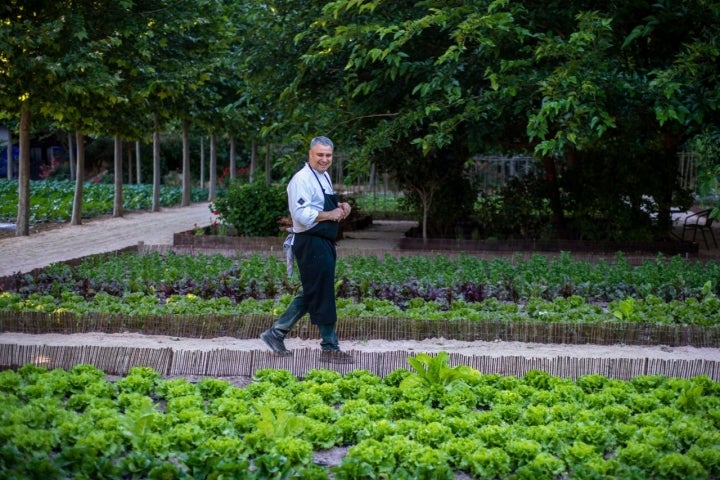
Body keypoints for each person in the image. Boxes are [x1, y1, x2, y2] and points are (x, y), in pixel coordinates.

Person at [260, 136, 354, 364]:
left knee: (315, 290)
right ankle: (329, 347)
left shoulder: (323, 176)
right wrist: (330, 215)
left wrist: (341, 206)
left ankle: (276, 333)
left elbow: (320, 204)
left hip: (323, 242)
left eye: (328, 155)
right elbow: (301, 214)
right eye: (320, 155)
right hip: (310, 242)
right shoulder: (300, 179)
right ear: (310, 154)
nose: (324, 159)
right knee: (319, 291)